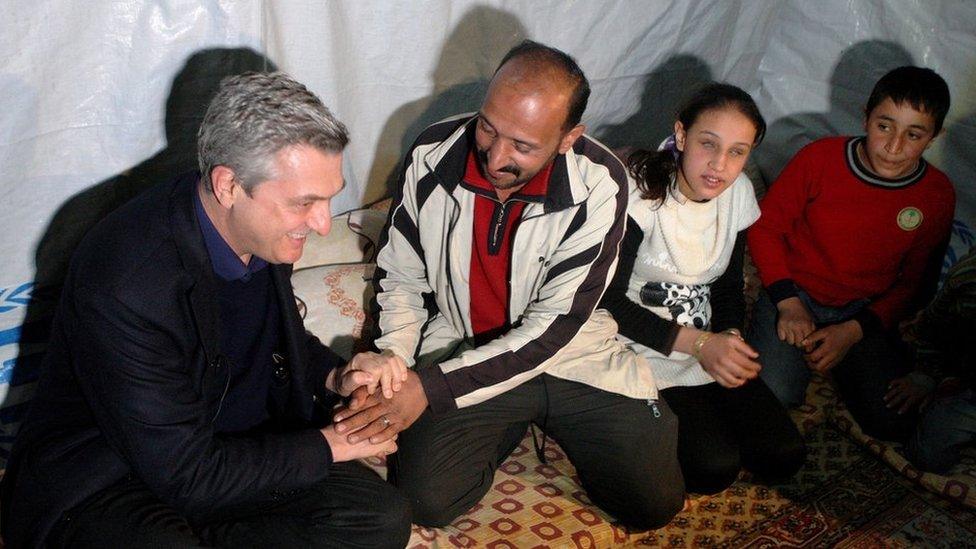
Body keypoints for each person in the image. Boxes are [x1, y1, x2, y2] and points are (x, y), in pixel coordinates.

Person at [1, 72, 411, 548]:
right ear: (229, 186)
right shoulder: (125, 281)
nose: (322, 224)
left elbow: (275, 339)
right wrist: (333, 444)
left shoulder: (259, 230)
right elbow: (186, 474)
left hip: (228, 452)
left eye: (328, 198)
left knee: (379, 516)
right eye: (305, 203)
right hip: (115, 476)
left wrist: (336, 378)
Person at [332, 40, 684, 530]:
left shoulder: (602, 182)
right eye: (488, 128)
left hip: (572, 354)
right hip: (462, 344)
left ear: (568, 137)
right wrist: (395, 365)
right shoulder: (434, 153)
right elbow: (402, 277)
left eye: (522, 145)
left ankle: (555, 418)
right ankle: (506, 417)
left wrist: (429, 389)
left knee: (654, 505)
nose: (496, 156)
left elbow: (553, 328)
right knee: (425, 501)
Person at [599, 84, 805, 495]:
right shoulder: (641, 197)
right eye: (707, 144)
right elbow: (608, 302)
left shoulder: (738, 193)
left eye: (737, 152)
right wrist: (698, 344)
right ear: (681, 135)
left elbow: (729, 287)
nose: (719, 165)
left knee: (784, 455)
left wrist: (728, 337)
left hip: (705, 339)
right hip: (642, 344)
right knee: (712, 467)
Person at [747, 66, 955, 442]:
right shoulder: (820, 159)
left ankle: (844, 354)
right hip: (796, 292)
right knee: (775, 394)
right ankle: (815, 349)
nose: (893, 147)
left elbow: (917, 284)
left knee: (894, 421)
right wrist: (787, 301)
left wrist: (853, 331)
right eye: (884, 126)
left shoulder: (936, 195)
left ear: (933, 138)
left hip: (864, 309)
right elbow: (765, 228)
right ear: (865, 117)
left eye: (914, 134)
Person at [886, 247, 976, 473]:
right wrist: (927, 375)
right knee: (927, 455)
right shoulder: (967, 277)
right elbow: (932, 327)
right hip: (970, 386)